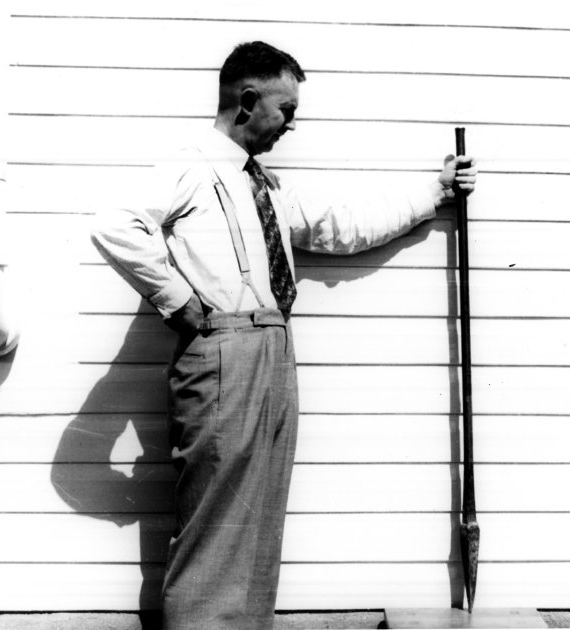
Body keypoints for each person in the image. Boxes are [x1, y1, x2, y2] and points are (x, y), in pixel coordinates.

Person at [91, 40, 477, 630]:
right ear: (248, 101)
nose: (290, 125)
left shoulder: (265, 185)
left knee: (258, 514)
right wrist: (178, 303)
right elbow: (116, 225)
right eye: (286, 110)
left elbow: (340, 227)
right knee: (219, 514)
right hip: (221, 347)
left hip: (273, 346)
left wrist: (435, 193)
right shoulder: (191, 165)